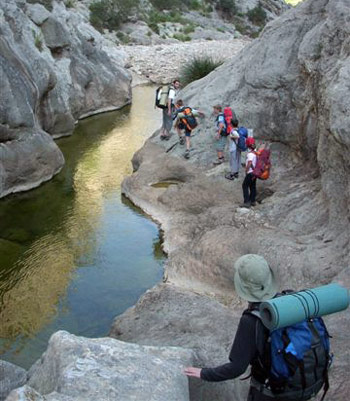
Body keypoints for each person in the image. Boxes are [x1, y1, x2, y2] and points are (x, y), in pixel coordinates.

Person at [184, 254, 278, 401]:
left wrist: (204, 373)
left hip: (270, 391)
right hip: (301, 382)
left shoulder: (251, 321)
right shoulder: (288, 301)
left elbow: (237, 368)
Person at [241, 137, 257, 208]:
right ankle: (252, 201)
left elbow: (250, 163)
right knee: (252, 186)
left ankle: (246, 202)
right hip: (255, 172)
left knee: (245, 185)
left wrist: (246, 170)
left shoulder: (250, 154)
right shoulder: (255, 152)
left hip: (250, 172)